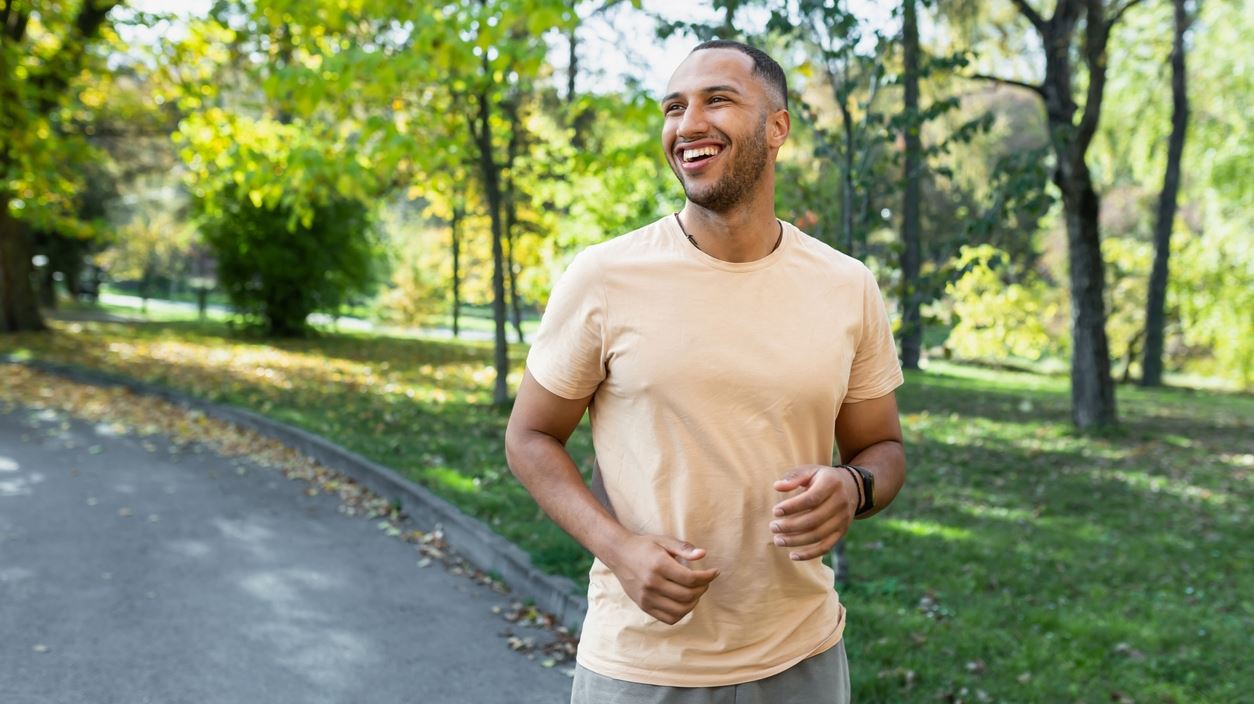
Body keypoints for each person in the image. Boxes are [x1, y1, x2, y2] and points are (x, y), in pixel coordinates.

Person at [505, 39, 906, 704]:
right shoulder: (605, 276)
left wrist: (854, 486)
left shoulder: (847, 285)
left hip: (802, 657)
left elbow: (882, 448)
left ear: (777, 127)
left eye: (716, 100)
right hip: (640, 663)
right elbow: (529, 438)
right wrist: (619, 549)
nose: (687, 124)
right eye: (673, 108)